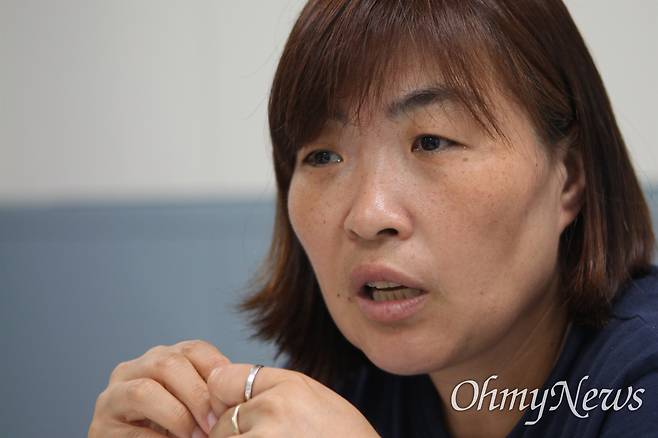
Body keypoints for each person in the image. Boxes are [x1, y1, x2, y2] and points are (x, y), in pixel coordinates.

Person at [88, 1, 658, 437]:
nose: (368, 216)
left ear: (569, 179)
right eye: (323, 156)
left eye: (432, 141)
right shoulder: (345, 394)